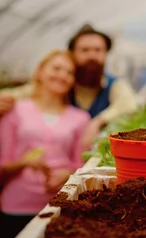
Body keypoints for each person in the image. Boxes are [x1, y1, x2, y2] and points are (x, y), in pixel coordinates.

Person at [0, 50, 90, 238]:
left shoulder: (80, 118)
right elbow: (3, 162)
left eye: (69, 72)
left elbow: (80, 163)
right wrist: (24, 162)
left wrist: (67, 173)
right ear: (40, 72)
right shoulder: (15, 110)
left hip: (58, 204)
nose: (62, 75)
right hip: (17, 204)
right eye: (56, 68)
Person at [0, 24, 138, 150]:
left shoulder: (114, 85)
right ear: (72, 53)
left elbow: (129, 105)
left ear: (106, 54)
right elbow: (29, 91)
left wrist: (97, 122)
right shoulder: (63, 83)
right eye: (85, 50)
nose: (92, 55)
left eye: (98, 50)